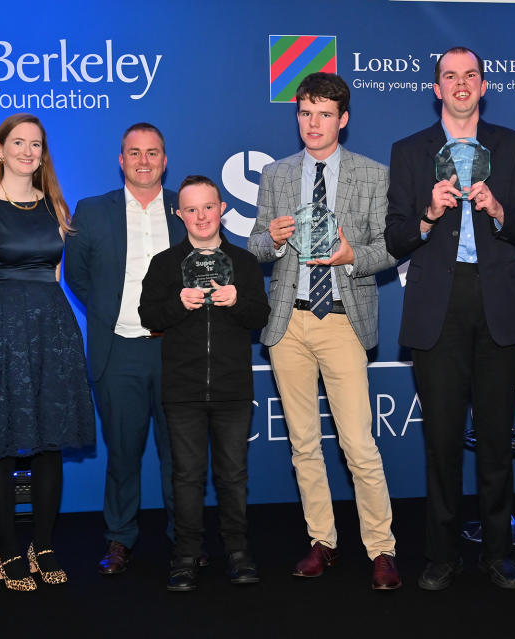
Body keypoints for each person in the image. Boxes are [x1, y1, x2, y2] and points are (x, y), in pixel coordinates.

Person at [384, 47, 515, 591]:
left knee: (497, 440)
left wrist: (499, 210)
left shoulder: (511, 145)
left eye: (470, 75)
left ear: (482, 84)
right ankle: (441, 556)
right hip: (438, 308)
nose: (460, 84)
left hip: (495, 302)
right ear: (436, 88)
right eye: (449, 76)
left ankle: (497, 554)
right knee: (443, 442)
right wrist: (428, 213)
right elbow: (394, 236)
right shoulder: (409, 152)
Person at [247, 72, 401, 590]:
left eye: (325, 114)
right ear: (297, 116)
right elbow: (255, 249)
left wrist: (351, 255)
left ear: (344, 119)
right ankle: (323, 542)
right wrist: (270, 235)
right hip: (288, 321)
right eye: (305, 113)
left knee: (358, 444)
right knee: (303, 445)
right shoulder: (276, 174)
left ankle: (381, 548)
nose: (314, 124)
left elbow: (392, 248)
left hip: (342, 318)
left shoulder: (373, 175)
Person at [0, 113, 95, 591]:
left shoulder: (55, 206)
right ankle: (9, 550)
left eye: (36, 144)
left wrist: (50, 332)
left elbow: (56, 279)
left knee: (48, 441)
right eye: (18, 142)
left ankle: (44, 543)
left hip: (50, 332)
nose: (27, 151)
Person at [139, 175, 270, 591]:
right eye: (191, 209)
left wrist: (237, 302)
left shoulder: (245, 263)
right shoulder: (164, 264)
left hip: (232, 388)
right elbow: (149, 316)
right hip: (183, 390)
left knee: (233, 476)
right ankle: (185, 555)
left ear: (223, 209)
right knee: (187, 476)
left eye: (208, 207)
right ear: (179, 214)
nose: (201, 216)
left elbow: (260, 316)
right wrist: (178, 303)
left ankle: (238, 551)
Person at [64, 123, 184, 575]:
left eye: (152, 152)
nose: (144, 161)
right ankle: (120, 539)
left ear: (165, 159)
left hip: (178, 352)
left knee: (183, 456)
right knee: (122, 453)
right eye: (134, 153)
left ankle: (185, 539)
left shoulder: (185, 207)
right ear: (121, 160)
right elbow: (78, 276)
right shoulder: (91, 211)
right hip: (119, 351)